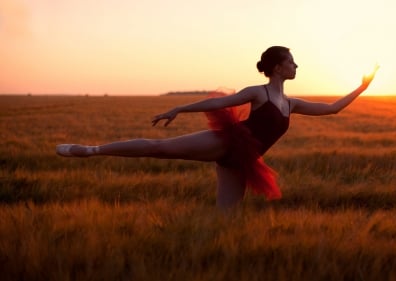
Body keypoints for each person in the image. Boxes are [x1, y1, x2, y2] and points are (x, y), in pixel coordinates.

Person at [57, 46, 378, 210]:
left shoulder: (291, 103)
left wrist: (361, 88)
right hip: (226, 143)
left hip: (243, 161)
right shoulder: (259, 92)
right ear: (278, 66)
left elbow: (332, 109)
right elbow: (218, 104)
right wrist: (181, 107)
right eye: (292, 61)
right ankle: (91, 150)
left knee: (226, 217)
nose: (296, 66)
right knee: (159, 148)